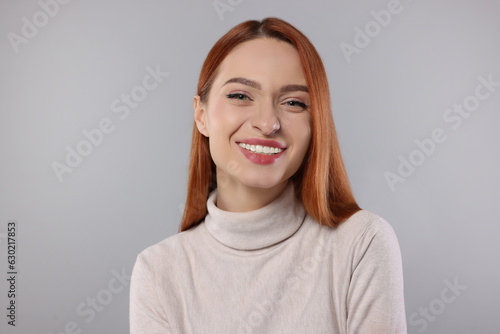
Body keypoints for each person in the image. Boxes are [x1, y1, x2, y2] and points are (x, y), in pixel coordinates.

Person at [130, 17, 407, 333]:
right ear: (201, 116)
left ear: (316, 124)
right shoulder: (157, 271)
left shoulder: (362, 242)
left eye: (293, 102)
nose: (267, 122)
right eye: (240, 96)